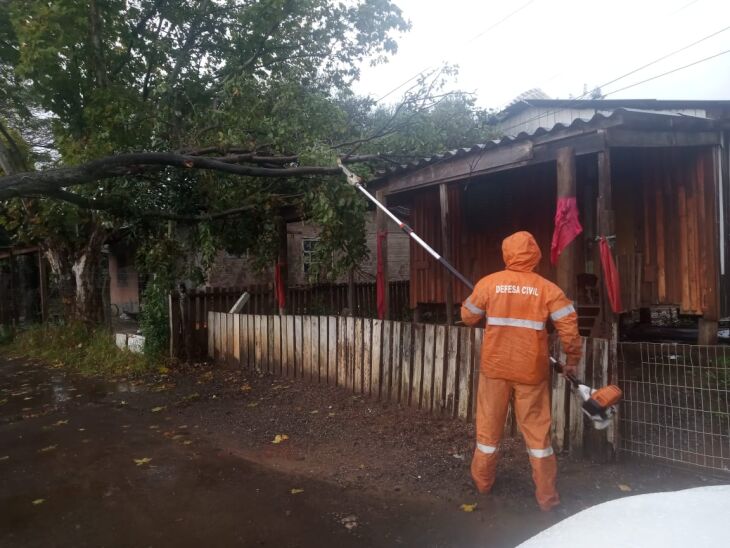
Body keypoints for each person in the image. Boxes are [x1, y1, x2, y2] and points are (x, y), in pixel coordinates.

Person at [460, 231, 582, 511]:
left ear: (506, 254)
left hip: (495, 369)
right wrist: (572, 358)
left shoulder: (489, 283)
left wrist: (478, 302)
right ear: (536, 255)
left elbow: (468, 317)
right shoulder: (547, 289)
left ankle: (482, 483)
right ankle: (547, 498)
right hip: (531, 372)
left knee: (488, 431)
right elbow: (569, 326)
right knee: (538, 437)